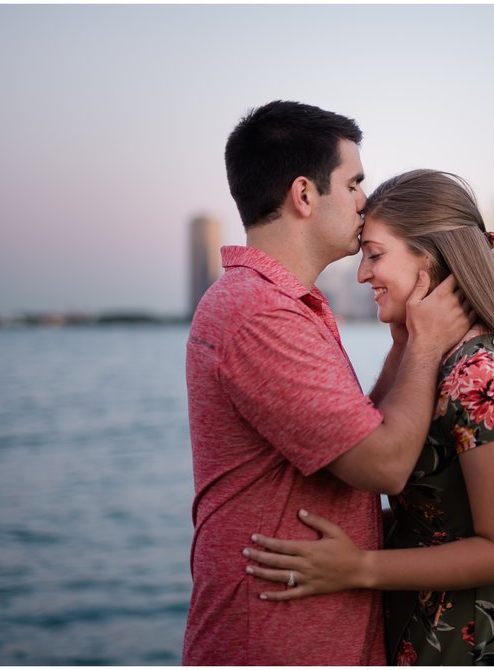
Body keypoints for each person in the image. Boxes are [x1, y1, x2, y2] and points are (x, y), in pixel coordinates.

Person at [184, 105, 472, 665]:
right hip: (273, 645)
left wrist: (403, 340)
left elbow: (354, 434)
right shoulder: (260, 315)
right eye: (354, 182)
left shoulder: (286, 306)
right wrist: (429, 344)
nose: (365, 199)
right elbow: (382, 464)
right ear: (304, 195)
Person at [241, 169, 494, 665]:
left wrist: (359, 569)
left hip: (469, 648)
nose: (363, 274)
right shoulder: (429, 360)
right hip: (419, 635)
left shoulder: (482, 375)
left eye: (375, 254)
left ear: (428, 261)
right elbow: (379, 457)